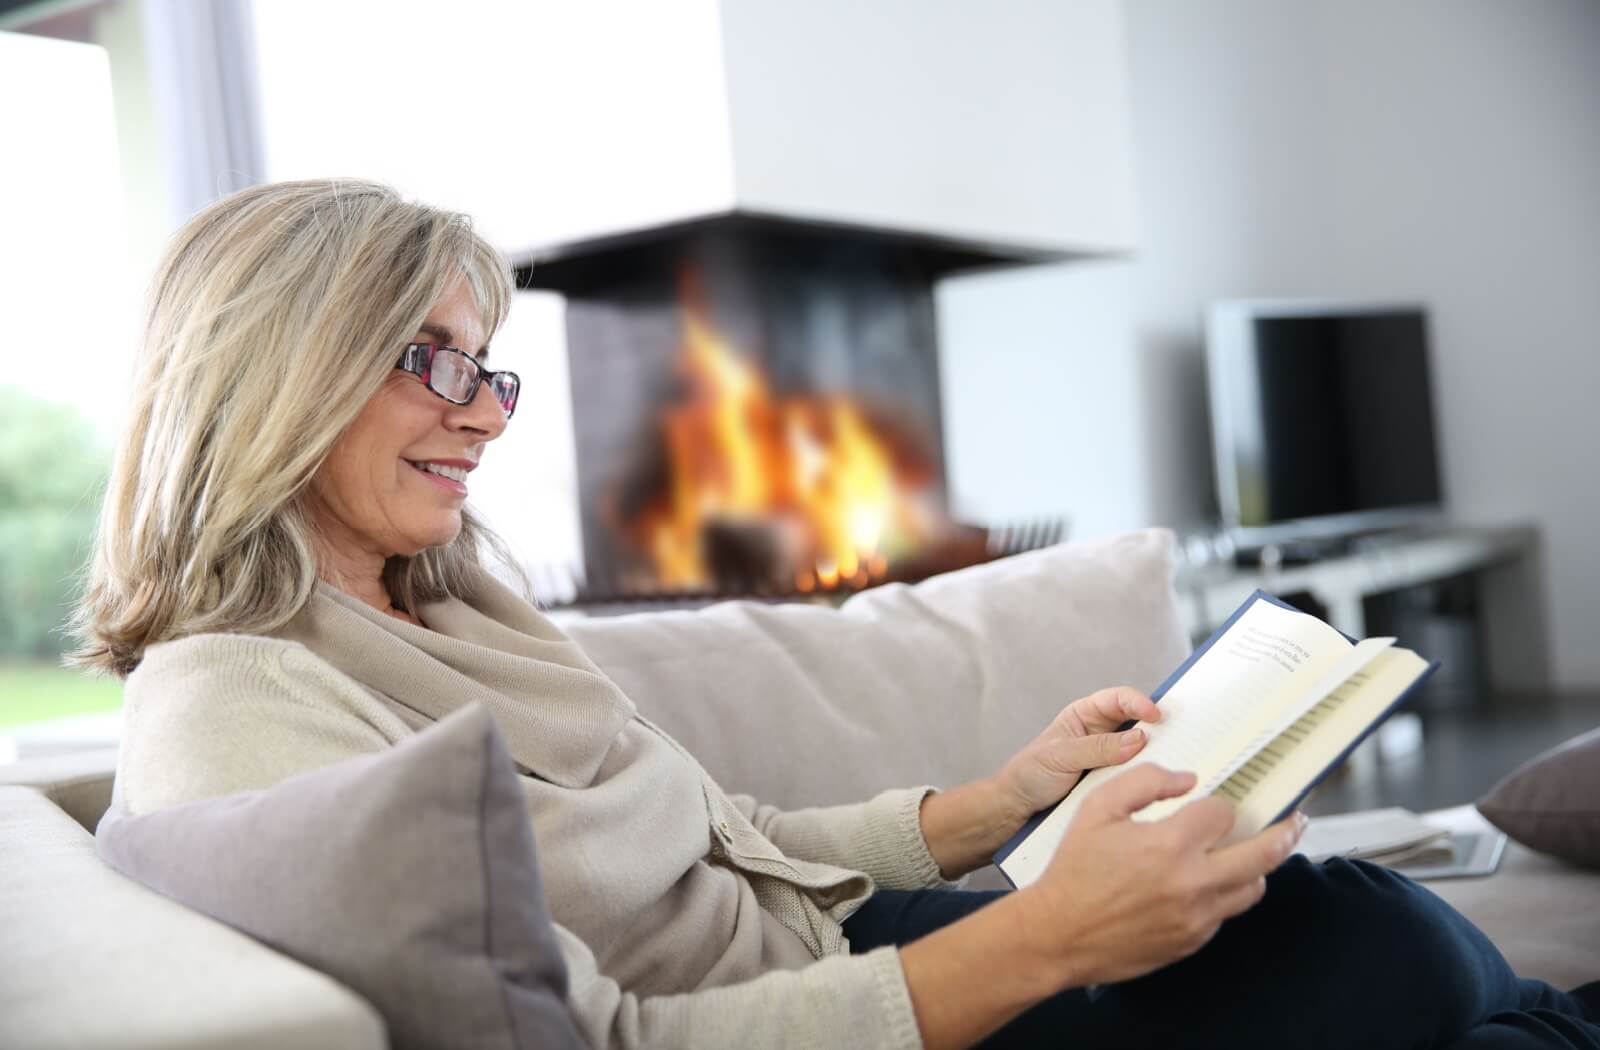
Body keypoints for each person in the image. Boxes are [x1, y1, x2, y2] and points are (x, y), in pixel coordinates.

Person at [72, 179, 1599, 1050]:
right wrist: (1045, 936)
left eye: (492, 368)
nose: (482, 417)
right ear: (271, 367)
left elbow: (720, 830)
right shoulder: (235, 705)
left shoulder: (450, 597)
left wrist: (996, 803)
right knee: (1365, 951)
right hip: (841, 1023)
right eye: (435, 360)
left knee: (1326, 914)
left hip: (841, 943)